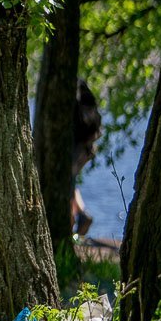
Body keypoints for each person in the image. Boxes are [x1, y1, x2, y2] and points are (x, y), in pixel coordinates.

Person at [72, 79, 102, 237]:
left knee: (67, 182)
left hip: (77, 148)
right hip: (88, 148)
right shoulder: (87, 95)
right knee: (71, 181)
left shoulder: (73, 97)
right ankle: (80, 215)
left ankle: (80, 215)